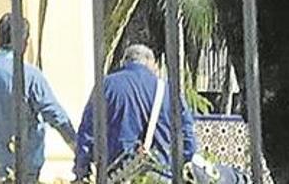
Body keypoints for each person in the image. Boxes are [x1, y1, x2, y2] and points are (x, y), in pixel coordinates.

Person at [0, 13, 77, 183]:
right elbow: (55, 115)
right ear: (24, 43)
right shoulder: (29, 75)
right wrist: (77, 147)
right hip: (22, 167)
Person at [72, 44, 198, 182]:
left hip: (117, 176)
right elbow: (188, 138)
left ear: (124, 61)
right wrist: (180, 165)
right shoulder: (169, 91)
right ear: (152, 64)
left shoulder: (107, 85)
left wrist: (82, 171)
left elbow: (87, 133)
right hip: (160, 176)